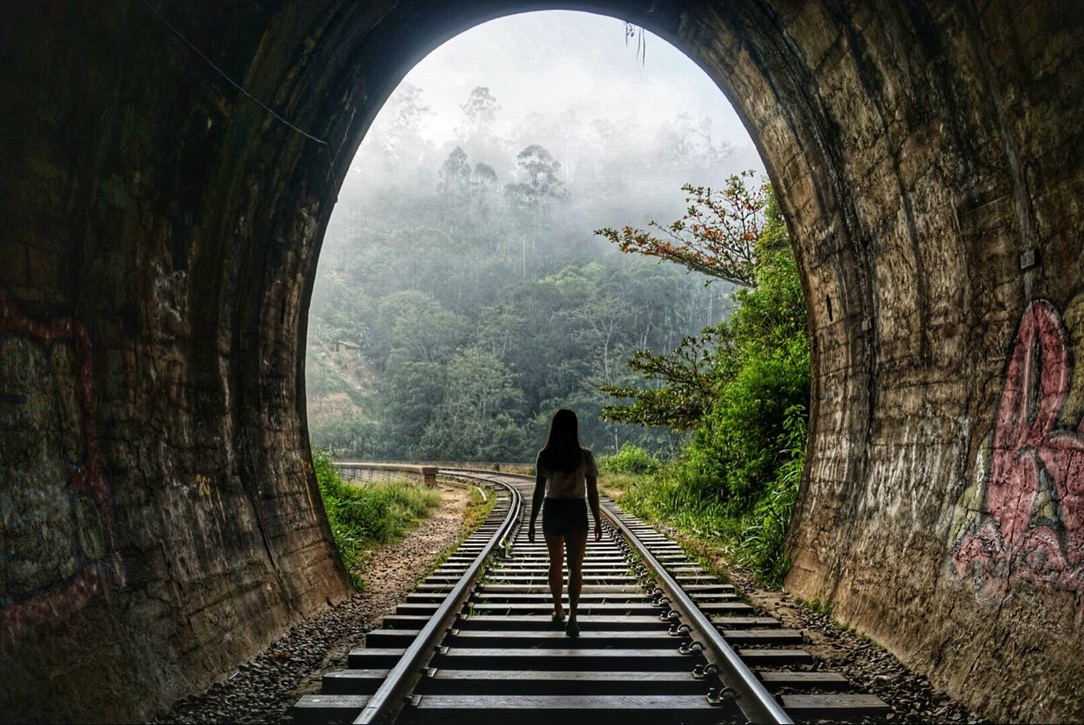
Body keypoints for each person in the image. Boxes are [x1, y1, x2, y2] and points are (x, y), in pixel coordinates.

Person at [528, 408, 602, 637]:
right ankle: (573, 617)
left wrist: (532, 521)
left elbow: (538, 492)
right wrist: (597, 520)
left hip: (553, 510)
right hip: (576, 510)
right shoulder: (586, 456)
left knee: (556, 563)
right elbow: (593, 493)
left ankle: (558, 609)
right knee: (575, 567)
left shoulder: (545, 455)